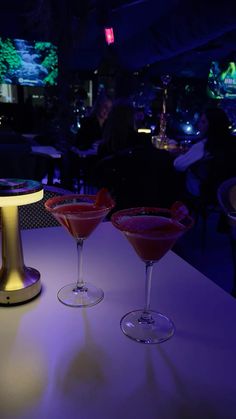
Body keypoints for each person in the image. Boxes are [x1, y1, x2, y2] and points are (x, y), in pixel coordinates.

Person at [95, 99, 182, 211]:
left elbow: (102, 180)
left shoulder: (104, 147)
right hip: (142, 201)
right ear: (132, 117)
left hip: (116, 204)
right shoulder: (141, 140)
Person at [173, 107, 236, 201]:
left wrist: (179, 155)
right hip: (227, 196)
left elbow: (178, 165)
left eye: (203, 122)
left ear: (213, 125)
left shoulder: (203, 145)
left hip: (200, 195)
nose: (199, 125)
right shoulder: (231, 143)